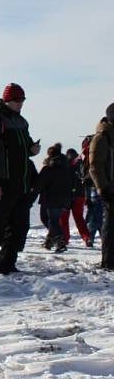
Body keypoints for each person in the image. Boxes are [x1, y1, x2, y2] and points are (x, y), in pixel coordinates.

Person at [0, 83, 41, 275]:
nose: (20, 104)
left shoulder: (21, 122)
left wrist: (32, 149)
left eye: (22, 100)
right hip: (1, 184)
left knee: (19, 228)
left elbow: (24, 147)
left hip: (21, 184)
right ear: (7, 100)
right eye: (16, 100)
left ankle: (7, 264)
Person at [89, 103, 114, 270]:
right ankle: (109, 261)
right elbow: (95, 165)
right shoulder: (102, 137)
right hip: (110, 188)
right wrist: (103, 188)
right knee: (111, 226)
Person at [38, 144, 74, 253]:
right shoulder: (67, 167)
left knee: (50, 220)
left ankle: (60, 241)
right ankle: (49, 242)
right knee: (53, 220)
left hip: (50, 198)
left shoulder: (49, 168)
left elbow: (39, 184)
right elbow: (73, 183)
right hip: (65, 198)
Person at [60, 149, 92, 246]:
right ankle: (86, 237)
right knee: (79, 217)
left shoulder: (64, 165)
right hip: (80, 195)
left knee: (64, 218)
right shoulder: (81, 164)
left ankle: (65, 239)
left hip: (66, 195)